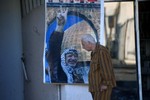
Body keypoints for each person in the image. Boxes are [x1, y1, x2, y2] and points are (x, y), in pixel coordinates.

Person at [81, 34, 116, 100]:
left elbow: (106, 68)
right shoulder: (94, 52)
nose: (83, 47)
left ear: (89, 43)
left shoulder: (101, 51)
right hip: (96, 88)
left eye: (83, 44)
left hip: (102, 88)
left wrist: (105, 83)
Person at [46, 7, 68, 82]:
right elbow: (54, 48)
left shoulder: (82, 75)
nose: (72, 59)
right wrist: (60, 27)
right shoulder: (58, 72)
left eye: (74, 56)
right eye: (70, 56)